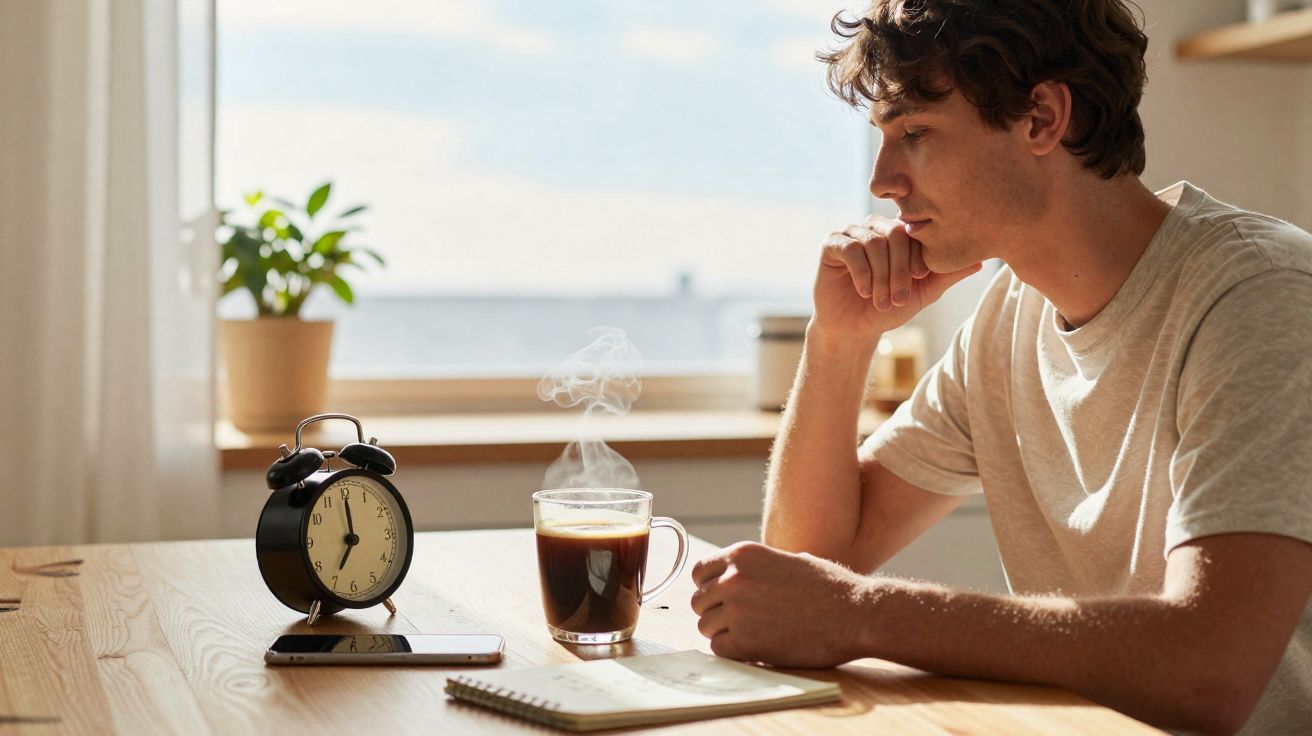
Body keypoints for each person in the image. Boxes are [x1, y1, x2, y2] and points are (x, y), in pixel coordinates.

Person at [688, 1, 1312, 733]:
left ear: (1042, 118)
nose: (882, 182)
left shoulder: (1260, 295)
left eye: (915, 133)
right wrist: (840, 341)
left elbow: (1211, 668)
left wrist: (861, 615)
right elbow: (805, 569)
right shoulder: (1008, 318)